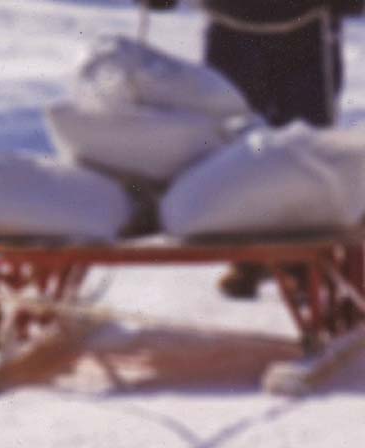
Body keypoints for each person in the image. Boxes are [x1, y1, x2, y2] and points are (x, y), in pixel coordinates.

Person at [144, 0, 364, 297]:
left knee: (304, 149)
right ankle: (246, 257)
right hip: (232, 20)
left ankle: (303, 261)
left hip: (308, 23)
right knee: (235, 144)